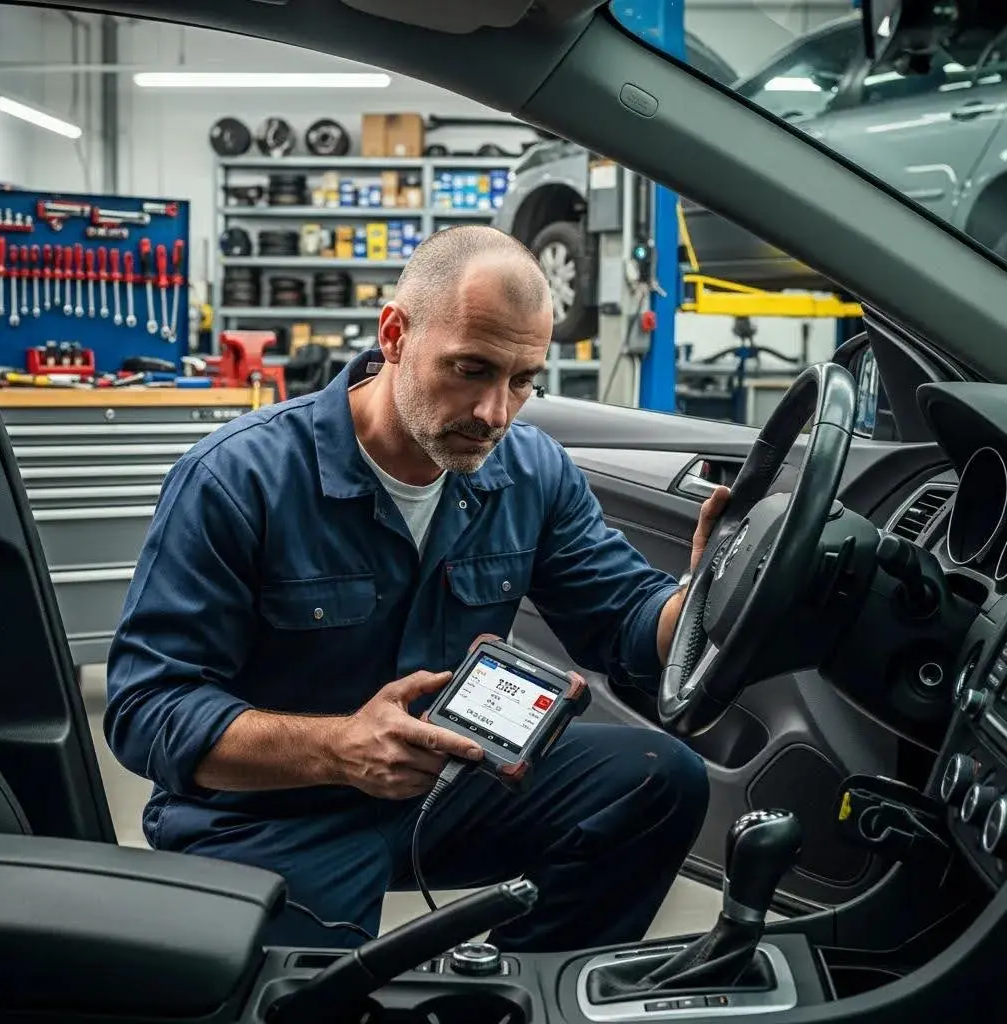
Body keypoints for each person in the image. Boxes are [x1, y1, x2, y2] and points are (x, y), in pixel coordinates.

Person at [104, 224, 728, 953]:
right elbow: (148, 710)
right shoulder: (238, 480)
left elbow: (627, 620)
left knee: (659, 781)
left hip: (441, 785)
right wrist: (338, 748)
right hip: (271, 813)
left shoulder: (533, 473)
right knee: (311, 999)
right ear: (395, 334)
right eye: (471, 369)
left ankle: (514, 995)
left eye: (523, 380)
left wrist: (712, 584)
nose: (496, 412)